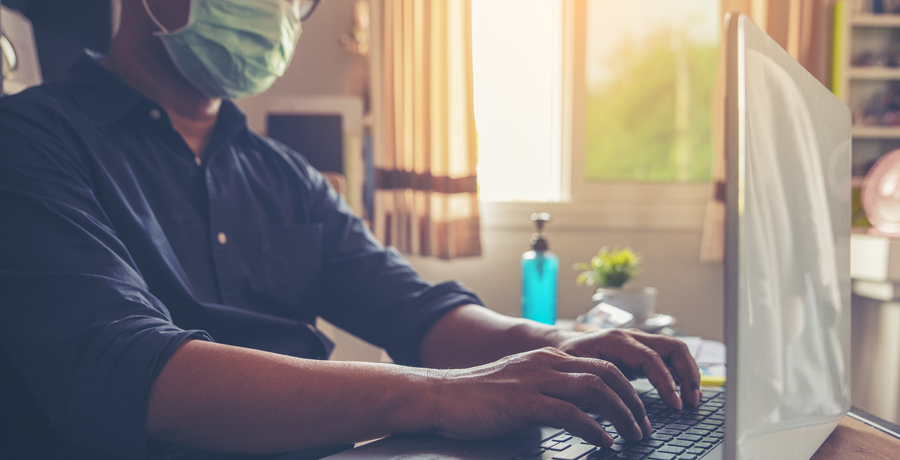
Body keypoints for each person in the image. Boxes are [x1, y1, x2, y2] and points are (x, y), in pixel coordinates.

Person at [0, 0, 701, 459]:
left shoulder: (280, 172)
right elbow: (129, 373)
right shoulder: (28, 142)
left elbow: (416, 310)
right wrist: (440, 395)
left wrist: (558, 346)